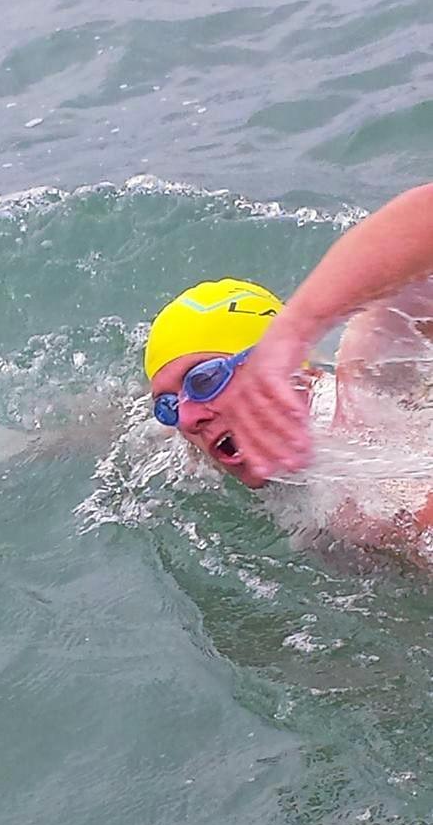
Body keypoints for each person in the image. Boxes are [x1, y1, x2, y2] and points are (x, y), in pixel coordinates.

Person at [144, 184, 433, 566]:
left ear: (277, 364)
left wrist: (296, 329)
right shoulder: (212, 453)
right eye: (167, 405)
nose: (189, 417)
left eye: (204, 379)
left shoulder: (368, 385)